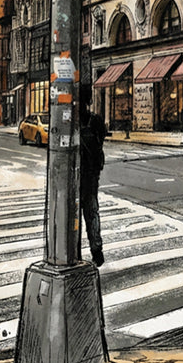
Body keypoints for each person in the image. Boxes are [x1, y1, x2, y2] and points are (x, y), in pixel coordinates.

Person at [78, 85, 107, 266]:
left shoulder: (73, 121)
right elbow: (101, 142)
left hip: (82, 175)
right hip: (90, 175)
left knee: (85, 212)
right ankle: (96, 250)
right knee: (91, 212)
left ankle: (92, 250)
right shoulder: (95, 121)